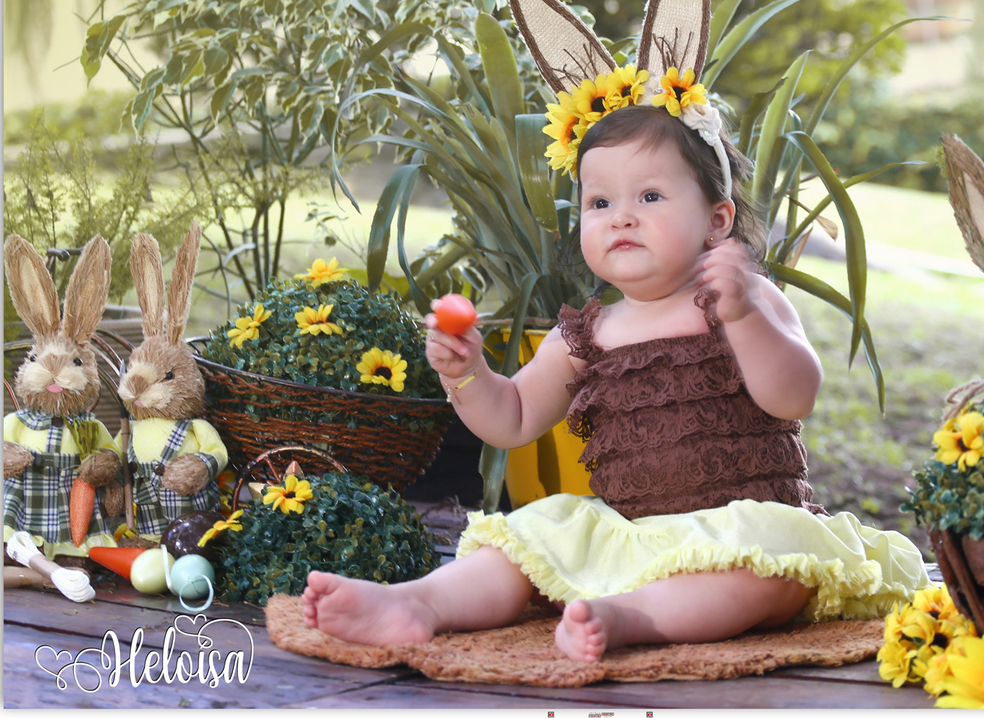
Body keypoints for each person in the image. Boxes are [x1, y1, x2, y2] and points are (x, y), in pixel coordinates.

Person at [301, 103, 930, 662]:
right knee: (523, 541)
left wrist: (743, 315)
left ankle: (629, 620)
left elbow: (793, 395)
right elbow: (513, 418)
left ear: (717, 221)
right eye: (601, 203)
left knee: (766, 576)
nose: (622, 218)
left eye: (650, 197)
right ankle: (418, 605)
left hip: (742, 526)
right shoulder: (589, 332)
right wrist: (469, 375)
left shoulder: (740, 301)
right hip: (630, 532)